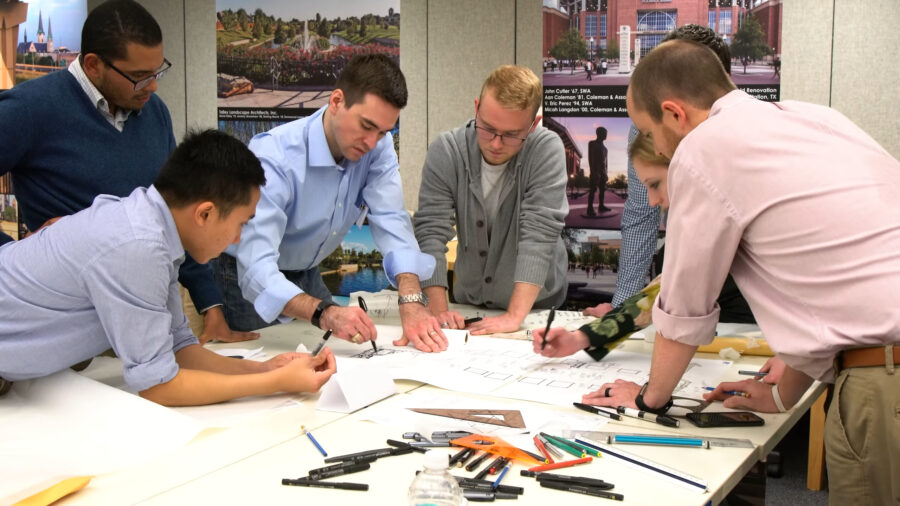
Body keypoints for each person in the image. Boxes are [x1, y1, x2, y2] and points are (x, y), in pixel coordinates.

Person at [587, 39, 900, 503]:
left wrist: (647, 399)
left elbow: (684, 302)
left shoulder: (703, 148)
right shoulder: (816, 119)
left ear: (674, 114)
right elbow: (828, 277)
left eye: (649, 131)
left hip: (883, 380)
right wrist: (781, 395)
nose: (655, 147)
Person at [0, 130, 337, 405]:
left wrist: (263, 370)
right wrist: (274, 383)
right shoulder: (138, 247)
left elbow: (179, 351)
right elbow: (158, 387)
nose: (237, 238)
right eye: (241, 224)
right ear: (204, 214)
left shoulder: (153, 229)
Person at [0, 0, 251, 344]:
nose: (153, 86)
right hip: (66, 323)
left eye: (157, 71)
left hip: (147, 306)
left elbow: (174, 210)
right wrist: (12, 254)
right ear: (93, 65)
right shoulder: (30, 109)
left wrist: (211, 304)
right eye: (138, 77)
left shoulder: (154, 112)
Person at [213, 54, 446, 353]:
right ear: (336, 102)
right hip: (243, 273)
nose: (372, 143)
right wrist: (326, 312)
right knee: (262, 367)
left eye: (383, 132)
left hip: (306, 270)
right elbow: (257, 268)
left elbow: (391, 219)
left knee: (342, 357)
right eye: (366, 125)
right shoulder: (274, 157)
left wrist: (411, 299)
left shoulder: (377, 147)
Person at [413, 65, 568, 336]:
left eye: (511, 134)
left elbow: (539, 235)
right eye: (488, 129)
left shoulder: (546, 150)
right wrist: (439, 313)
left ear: (533, 124)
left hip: (534, 308)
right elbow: (430, 233)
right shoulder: (447, 151)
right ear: (476, 108)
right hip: (469, 302)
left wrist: (513, 317)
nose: (496, 144)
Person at [586, 126, 609, 216]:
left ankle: (601, 206)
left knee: (602, 190)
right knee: (592, 190)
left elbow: (606, 163)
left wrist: (606, 174)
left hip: (603, 173)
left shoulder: (605, 149)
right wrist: (593, 172)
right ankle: (590, 208)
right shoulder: (592, 143)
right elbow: (590, 158)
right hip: (595, 171)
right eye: (604, 133)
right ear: (599, 133)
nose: (606, 135)